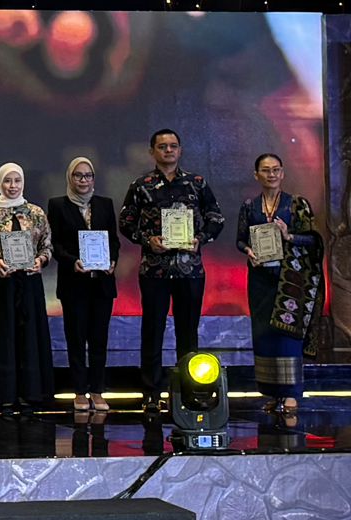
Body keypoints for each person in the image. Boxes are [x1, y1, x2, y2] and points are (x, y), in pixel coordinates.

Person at [119, 128, 224, 411]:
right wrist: (147, 240)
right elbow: (126, 222)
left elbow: (216, 217)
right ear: (152, 151)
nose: (168, 150)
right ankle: (151, 393)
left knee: (188, 333)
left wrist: (200, 239)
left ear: (180, 150)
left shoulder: (196, 183)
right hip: (155, 270)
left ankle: (187, 392)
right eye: (162, 146)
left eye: (173, 146)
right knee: (152, 330)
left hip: (190, 271)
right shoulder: (141, 185)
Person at [238, 153, 324, 415]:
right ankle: (274, 394)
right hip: (260, 279)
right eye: (266, 170)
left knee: (288, 337)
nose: (271, 174)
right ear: (256, 175)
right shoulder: (250, 206)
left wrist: (289, 236)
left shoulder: (297, 204)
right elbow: (240, 240)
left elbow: (314, 240)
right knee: (265, 337)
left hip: (290, 281)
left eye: (276, 170)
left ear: (283, 173)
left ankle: (291, 394)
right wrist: (248, 251)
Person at [0, 163, 54, 415]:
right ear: (0, 183)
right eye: (7, 181)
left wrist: (40, 260)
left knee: (30, 337)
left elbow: (47, 246)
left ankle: (32, 393)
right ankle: (4, 394)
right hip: (1, 285)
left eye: (17, 181)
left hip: (29, 283)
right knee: (4, 338)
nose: (12, 186)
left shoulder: (36, 213)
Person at [46, 156, 119, 413]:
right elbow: (54, 244)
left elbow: (114, 241)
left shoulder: (105, 204)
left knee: (99, 339)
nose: (83, 180)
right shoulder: (57, 205)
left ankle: (97, 391)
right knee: (76, 339)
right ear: (70, 177)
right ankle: (79, 391)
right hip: (73, 283)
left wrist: (112, 260)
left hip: (102, 284)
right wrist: (72, 262)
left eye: (88, 175)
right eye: (78, 175)